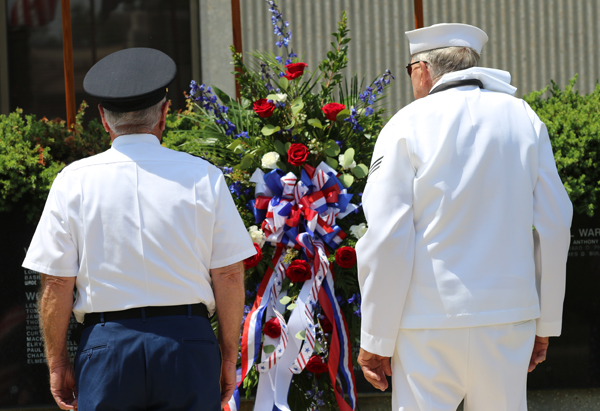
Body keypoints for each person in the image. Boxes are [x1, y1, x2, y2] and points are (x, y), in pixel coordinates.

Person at [22, 48, 256, 411]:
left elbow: (55, 283)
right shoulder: (202, 176)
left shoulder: (72, 181)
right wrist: (228, 356)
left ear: (102, 118)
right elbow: (227, 274)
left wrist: (57, 364)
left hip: (107, 348)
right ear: (165, 114)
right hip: (187, 345)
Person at [356, 23, 572, 411]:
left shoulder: (406, 123)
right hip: (509, 317)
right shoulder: (523, 118)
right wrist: (546, 323)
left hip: (426, 323)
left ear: (422, 70)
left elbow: (387, 236)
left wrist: (376, 338)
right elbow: (556, 224)